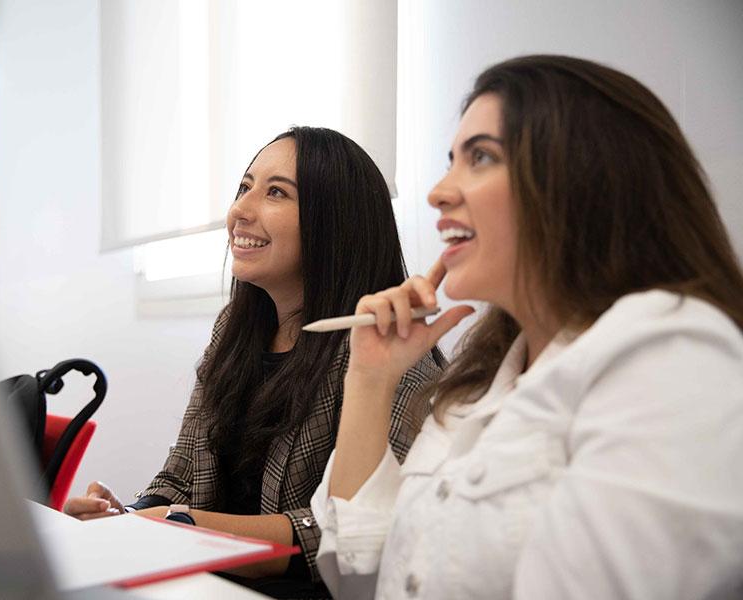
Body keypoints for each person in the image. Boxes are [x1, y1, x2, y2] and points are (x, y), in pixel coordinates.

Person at [311, 55, 743, 599]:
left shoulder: (669, 355)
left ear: (585, 179)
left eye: (482, 157)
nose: (439, 192)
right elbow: (362, 578)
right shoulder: (477, 389)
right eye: (451, 160)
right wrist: (369, 379)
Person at [63, 126, 445, 596]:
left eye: (276, 193)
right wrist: (129, 518)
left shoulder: (387, 357)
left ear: (335, 221)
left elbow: (342, 536)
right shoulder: (236, 329)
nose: (239, 211)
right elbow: (182, 475)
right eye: (244, 187)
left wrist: (182, 526)